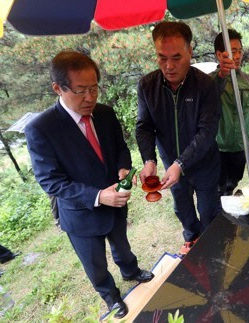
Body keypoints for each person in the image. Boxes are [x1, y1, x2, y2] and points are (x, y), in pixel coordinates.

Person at [25, 50, 154, 319]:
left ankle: (130, 270)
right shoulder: (41, 128)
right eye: (81, 90)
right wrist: (97, 196)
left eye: (94, 88)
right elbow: (51, 181)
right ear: (58, 88)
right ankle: (111, 296)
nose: (90, 98)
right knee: (94, 262)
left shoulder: (105, 113)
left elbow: (120, 148)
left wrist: (123, 167)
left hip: (115, 201)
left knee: (122, 243)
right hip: (81, 211)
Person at [136, 21, 221, 256]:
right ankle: (191, 239)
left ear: (190, 52)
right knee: (182, 208)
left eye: (176, 57)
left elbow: (207, 131)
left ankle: (211, 243)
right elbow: (144, 126)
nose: (169, 66)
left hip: (203, 163)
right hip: (170, 164)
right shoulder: (147, 85)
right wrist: (149, 160)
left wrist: (181, 163)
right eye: (162, 58)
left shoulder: (205, 85)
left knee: (208, 209)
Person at [210, 29, 249, 196]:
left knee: (233, 181)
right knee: (217, 186)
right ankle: (219, 213)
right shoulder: (209, 81)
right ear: (220, 54)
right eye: (233, 51)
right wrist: (223, 76)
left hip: (241, 145)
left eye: (240, 51)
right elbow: (205, 103)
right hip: (217, 146)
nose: (238, 55)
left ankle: (229, 199)